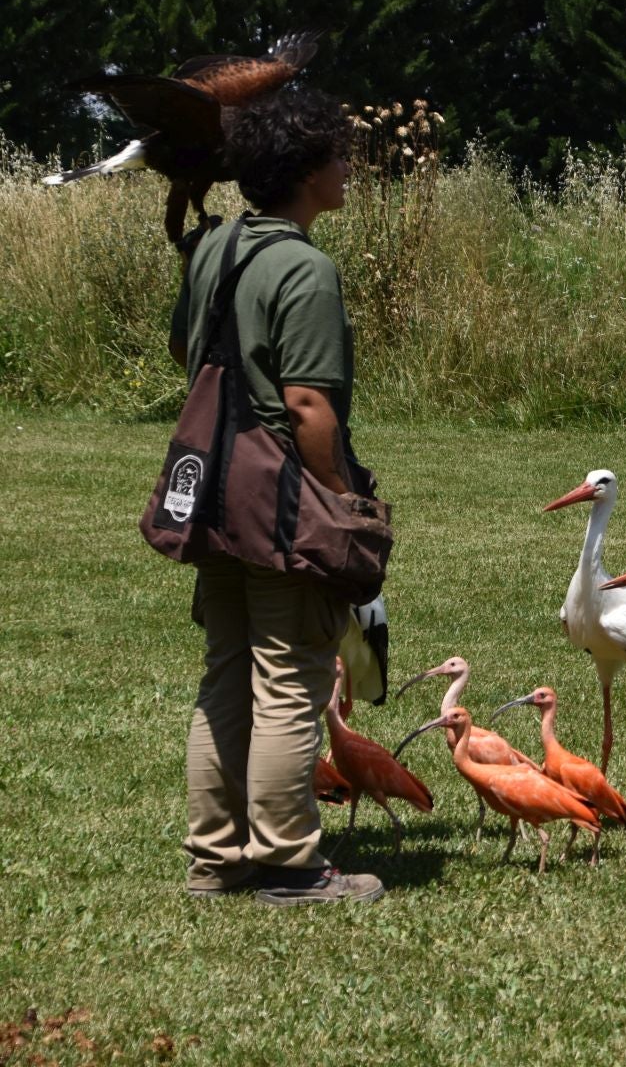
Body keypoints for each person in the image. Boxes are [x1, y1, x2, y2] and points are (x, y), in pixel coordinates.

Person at [167, 86, 384, 905]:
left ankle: (215, 860)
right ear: (304, 171)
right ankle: (290, 863)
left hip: (211, 486)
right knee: (291, 672)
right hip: (278, 492)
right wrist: (341, 502)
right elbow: (307, 405)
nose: (347, 168)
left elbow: (187, 346)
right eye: (338, 154)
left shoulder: (212, 248)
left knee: (226, 668)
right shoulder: (306, 265)